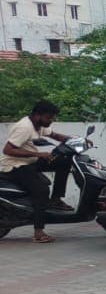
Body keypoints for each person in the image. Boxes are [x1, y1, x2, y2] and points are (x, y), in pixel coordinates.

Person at [1, 100, 69, 243]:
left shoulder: (37, 125)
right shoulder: (24, 127)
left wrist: (76, 140)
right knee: (41, 190)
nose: (51, 121)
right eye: (49, 118)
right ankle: (38, 232)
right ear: (38, 115)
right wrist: (39, 155)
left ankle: (56, 199)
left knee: (63, 162)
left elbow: (55, 135)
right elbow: (8, 150)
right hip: (15, 165)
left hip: (30, 161)